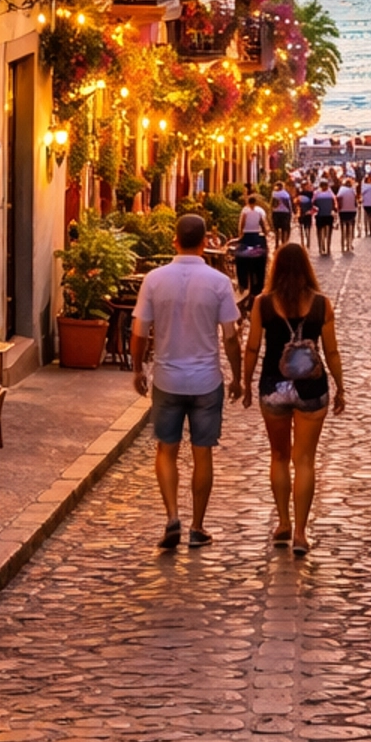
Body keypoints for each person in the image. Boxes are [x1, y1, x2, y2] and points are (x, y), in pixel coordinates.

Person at [132, 212, 241, 553]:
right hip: (206, 380)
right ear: (206, 240)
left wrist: (137, 368)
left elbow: (139, 331)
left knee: (166, 449)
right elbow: (231, 336)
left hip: (167, 377)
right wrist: (238, 376)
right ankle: (197, 526)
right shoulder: (219, 282)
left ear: (174, 240)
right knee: (202, 453)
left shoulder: (154, 279)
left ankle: (171, 516)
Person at [242, 241, 344, 557]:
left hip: (273, 387)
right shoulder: (321, 304)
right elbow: (331, 351)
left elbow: (252, 348)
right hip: (312, 389)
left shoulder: (263, 304)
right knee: (305, 460)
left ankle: (283, 523)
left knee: (278, 456)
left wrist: (245, 384)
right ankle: (301, 533)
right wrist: (341, 386)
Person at [234, 190, 271, 309]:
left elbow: (241, 224)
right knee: (261, 265)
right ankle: (258, 290)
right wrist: (266, 233)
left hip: (246, 237)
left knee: (241, 262)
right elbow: (264, 224)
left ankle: (243, 285)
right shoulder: (260, 211)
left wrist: (240, 235)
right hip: (257, 237)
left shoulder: (244, 210)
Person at [313, 177, 337, 257]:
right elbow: (334, 203)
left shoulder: (316, 193)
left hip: (319, 215)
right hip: (328, 216)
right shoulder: (330, 193)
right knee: (329, 233)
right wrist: (334, 210)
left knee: (319, 232)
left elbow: (312, 203)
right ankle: (328, 248)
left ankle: (320, 247)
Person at [336, 177, 358, 255]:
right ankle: (350, 242)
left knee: (343, 228)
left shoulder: (341, 189)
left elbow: (338, 197)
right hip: (352, 212)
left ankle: (343, 244)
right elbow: (356, 201)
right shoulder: (353, 190)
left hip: (343, 212)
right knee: (351, 226)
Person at [270, 179, 293, 245]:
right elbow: (289, 205)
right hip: (285, 213)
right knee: (285, 229)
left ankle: (276, 244)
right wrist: (291, 213)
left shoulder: (274, 194)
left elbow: (272, 204)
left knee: (276, 229)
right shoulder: (286, 194)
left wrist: (271, 212)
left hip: (276, 213)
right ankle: (284, 243)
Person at [297, 178, 315, 248]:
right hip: (302, 210)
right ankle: (303, 239)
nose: (306, 187)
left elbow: (313, 201)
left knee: (308, 225)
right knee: (302, 225)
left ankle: (308, 238)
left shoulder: (311, 193)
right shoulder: (300, 193)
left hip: (308, 210)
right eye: (305, 186)